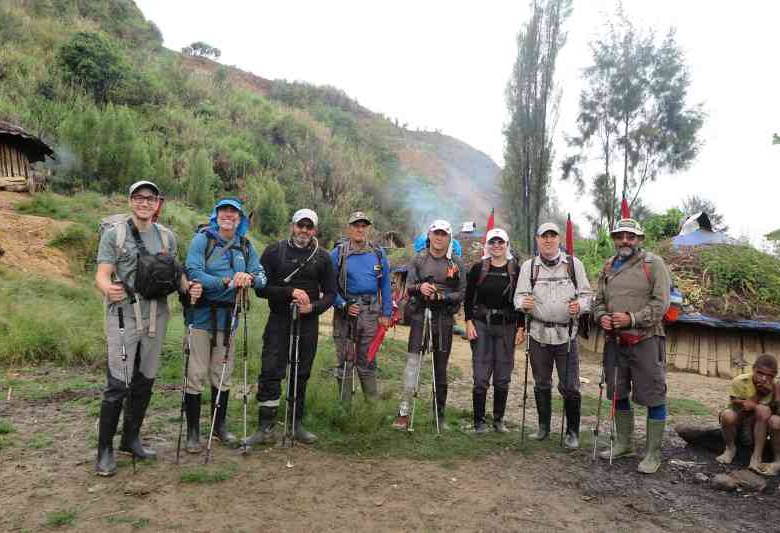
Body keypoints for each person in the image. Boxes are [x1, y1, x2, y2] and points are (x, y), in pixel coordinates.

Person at [94, 180, 202, 476]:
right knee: (118, 383)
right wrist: (108, 288)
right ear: (130, 201)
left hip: (157, 316)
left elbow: (175, 273)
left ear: (157, 204)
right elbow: (102, 274)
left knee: (145, 380)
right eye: (138, 197)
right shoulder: (115, 235)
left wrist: (189, 287)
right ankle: (104, 450)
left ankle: (131, 440)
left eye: (150, 198)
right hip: (124, 315)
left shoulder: (166, 237)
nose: (144, 203)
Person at [244, 209, 336, 447]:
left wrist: (312, 307)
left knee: (301, 372)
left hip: (308, 322)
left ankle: (295, 425)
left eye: (308, 226)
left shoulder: (323, 258)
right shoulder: (274, 252)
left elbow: (331, 294)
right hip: (279, 320)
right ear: (292, 226)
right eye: (300, 225)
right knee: (270, 370)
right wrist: (289, 292)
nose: (303, 230)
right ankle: (265, 427)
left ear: (315, 230)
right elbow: (260, 289)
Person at [182, 198, 267, 453]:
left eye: (234, 212)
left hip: (229, 319)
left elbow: (261, 278)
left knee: (222, 374)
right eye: (223, 211)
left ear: (240, 219)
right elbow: (193, 271)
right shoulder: (202, 240)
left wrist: (248, 278)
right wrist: (227, 282)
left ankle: (219, 428)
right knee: (195, 374)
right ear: (216, 215)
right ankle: (193, 433)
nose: (228, 215)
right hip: (200, 316)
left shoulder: (246, 246)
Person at [593, 218, 671, 474]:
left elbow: (661, 303)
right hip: (615, 342)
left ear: (640, 239)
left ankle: (652, 453)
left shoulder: (653, 264)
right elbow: (598, 301)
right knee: (617, 392)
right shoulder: (608, 266)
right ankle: (624, 443)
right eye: (620, 236)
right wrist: (601, 317)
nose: (625, 241)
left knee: (654, 395)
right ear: (614, 239)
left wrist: (633, 319)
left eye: (630, 236)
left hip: (645, 340)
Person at [513, 222, 592, 448]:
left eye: (552, 236)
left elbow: (587, 296)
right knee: (541, 383)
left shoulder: (574, 265)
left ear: (559, 239)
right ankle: (543, 428)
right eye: (544, 236)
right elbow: (518, 297)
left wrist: (580, 305)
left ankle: (572, 432)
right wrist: (523, 303)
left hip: (566, 335)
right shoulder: (529, 267)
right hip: (538, 334)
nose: (548, 240)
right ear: (537, 240)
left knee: (570, 386)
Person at [392, 219, 466, 431]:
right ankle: (404, 412)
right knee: (412, 363)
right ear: (430, 235)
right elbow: (409, 286)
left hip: (443, 319)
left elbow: (462, 293)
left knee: (440, 368)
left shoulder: (456, 262)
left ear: (449, 237)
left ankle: (439, 416)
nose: (439, 237)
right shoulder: (419, 259)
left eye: (443, 234)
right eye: (436, 233)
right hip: (419, 316)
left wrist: (442, 296)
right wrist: (421, 287)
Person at [465, 228, 524, 434]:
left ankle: (498, 420)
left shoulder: (516, 270)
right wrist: (468, 322)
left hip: (507, 327)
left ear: (507, 245)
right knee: (481, 377)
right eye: (493, 242)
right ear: (487, 245)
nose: (497, 246)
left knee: (502, 377)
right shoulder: (478, 268)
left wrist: (521, 327)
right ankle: (479, 421)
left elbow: (521, 300)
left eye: (500, 242)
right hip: (481, 325)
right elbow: (468, 297)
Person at [331, 211, 392, 401]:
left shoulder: (378, 253)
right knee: (345, 359)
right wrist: (342, 304)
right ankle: (345, 408)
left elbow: (385, 284)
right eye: (356, 226)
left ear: (368, 229)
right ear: (349, 229)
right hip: (346, 313)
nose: (360, 229)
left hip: (371, 312)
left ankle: (371, 405)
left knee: (368, 359)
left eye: (363, 226)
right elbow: (328, 287)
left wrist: (386, 312)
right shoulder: (338, 254)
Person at [716, 354, 778, 472]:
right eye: (760, 373)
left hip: (758, 426)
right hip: (739, 418)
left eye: (769, 375)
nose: (764, 378)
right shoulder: (740, 381)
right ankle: (730, 448)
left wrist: (774, 397)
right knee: (727, 415)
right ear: (753, 369)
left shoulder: (775, 388)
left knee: (764, 410)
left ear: (775, 375)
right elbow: (738, 404)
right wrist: (758, 395)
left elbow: (773, 414)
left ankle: (756, 456)